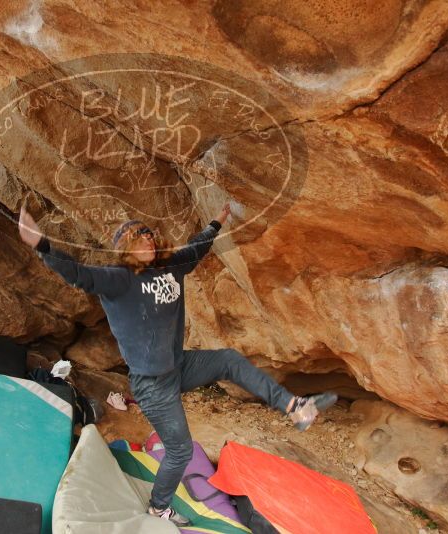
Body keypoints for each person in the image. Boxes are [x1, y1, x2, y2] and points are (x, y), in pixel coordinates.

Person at [19, 202, 337, 527]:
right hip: (152, 385)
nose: (147, 242)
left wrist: (217, 222)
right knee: (180, 451)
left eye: (148, 236)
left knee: (227, 359)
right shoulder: (118, 280)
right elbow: (78, 273)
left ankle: (295, 406)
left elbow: (198, 247)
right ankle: (158, 508)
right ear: (126, 249)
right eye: (137, 240)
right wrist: (42, 245)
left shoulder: (172, 267)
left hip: (179, 366)